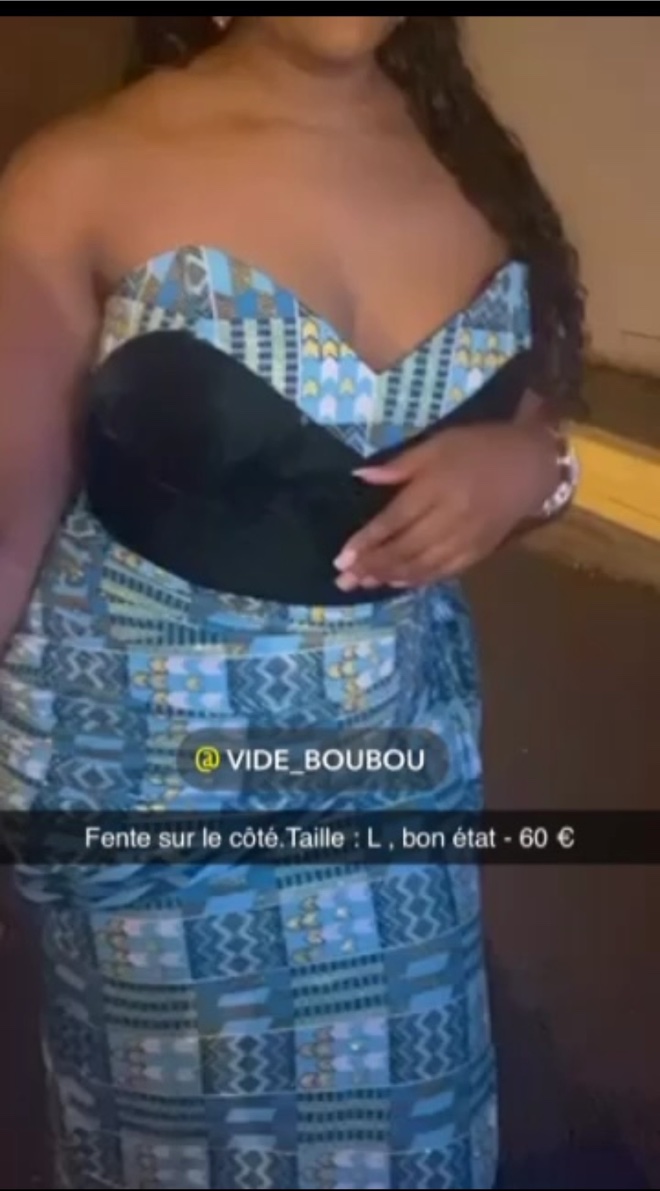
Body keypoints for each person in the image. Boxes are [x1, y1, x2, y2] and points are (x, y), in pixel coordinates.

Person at [0, 16, 584, 1191]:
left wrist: (534, 471)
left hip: (394, 777)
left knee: (412, 1144)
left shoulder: (472, 166)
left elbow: (533, 446)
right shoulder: (78, 177)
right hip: (152, 785)